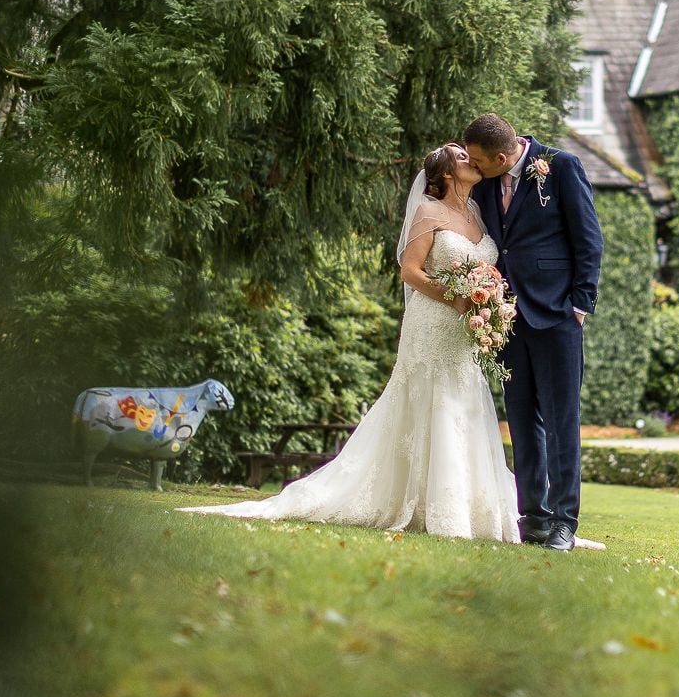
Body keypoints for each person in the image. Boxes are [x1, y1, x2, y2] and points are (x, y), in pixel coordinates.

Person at [178, 144, 520, 541]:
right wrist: (455, 297)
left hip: (463, 330)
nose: (470, 161)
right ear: (445, 174)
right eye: (461, 158)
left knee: (462, 401)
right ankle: (431, 508)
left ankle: (469, 508)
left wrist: (487, 300)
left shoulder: (477, 213)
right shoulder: (429, 212)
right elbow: (409, 271)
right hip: (431, 323)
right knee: (432, 399)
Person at [463, 113, 603, 552]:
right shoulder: (486, 181)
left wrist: (579, 306)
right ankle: (534, 518)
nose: (475, 168)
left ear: (502, 156)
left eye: (481, 162)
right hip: (506, 318)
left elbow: (589, 239)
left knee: (562, 423)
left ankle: (565, 522)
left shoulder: (560, 166)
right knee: (522, 422)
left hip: (558, 316)